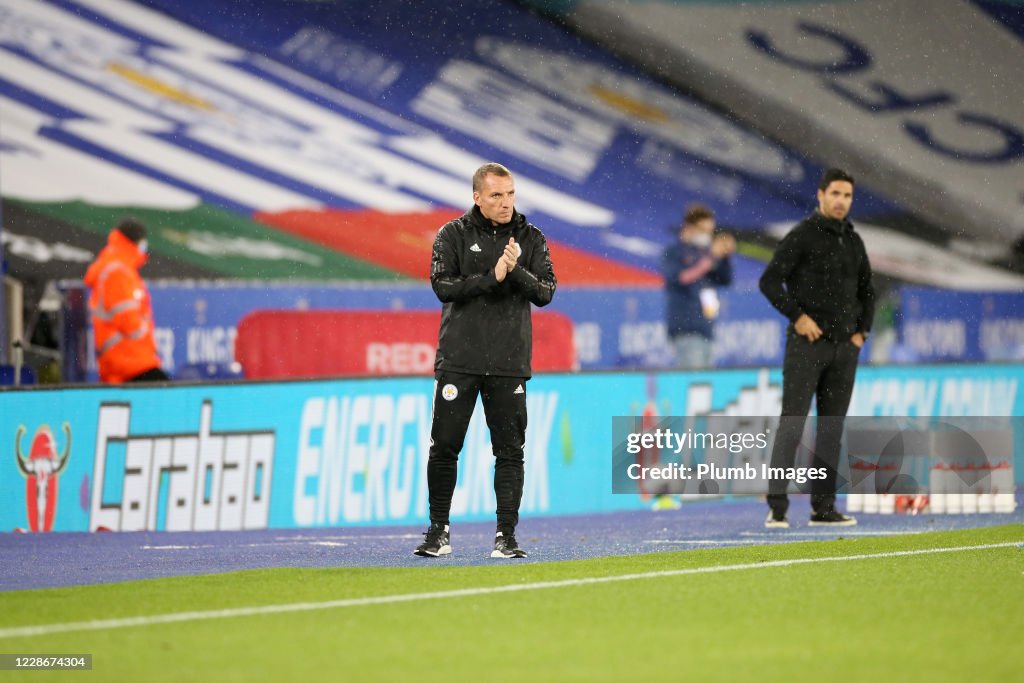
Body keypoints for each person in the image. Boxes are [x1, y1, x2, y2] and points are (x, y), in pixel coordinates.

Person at [414, 163, 556, 559]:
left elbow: (545, 292)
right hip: (460, 359)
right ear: (477, 197)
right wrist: (493, 276)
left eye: (510, 194)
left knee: (510, 452)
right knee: (444, 448)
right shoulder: (452, 235)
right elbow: (443, 287)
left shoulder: (531, 237)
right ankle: (438, 532)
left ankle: (506, 536)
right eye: (496, 195)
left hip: (509, 362)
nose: (505, 203)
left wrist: (515, 273)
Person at [759, 168, 874, 528]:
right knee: (793, 422)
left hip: (844, 349)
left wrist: (862, 333)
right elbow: (769, 281)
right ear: (820, 194)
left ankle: (823, 508)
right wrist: (798, 316)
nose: (842, 201)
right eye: (836, 194)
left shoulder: (853, 240)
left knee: (831, 428)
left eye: (848, 196)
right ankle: (777, 507)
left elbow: (868, 290)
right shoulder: (802, 235)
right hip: (807, 346)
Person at [84, 218, 168, 384]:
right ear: (136, 242)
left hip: (127, 360)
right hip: (129, 360)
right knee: (167, 399)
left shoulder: (116, 266)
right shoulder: (118, 272)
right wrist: (143, 333)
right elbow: (127, 321)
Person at [662, 204, 736, 370]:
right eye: (703, 230)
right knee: (694, 381)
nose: (707, 235)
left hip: (706, 327)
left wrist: (725, 256)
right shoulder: (674, 252)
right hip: (686, 328)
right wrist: (711, 257)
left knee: (705, 382)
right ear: (689, 227)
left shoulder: (704, 252)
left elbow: (725, 279)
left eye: (710, 230)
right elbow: (681, 278)